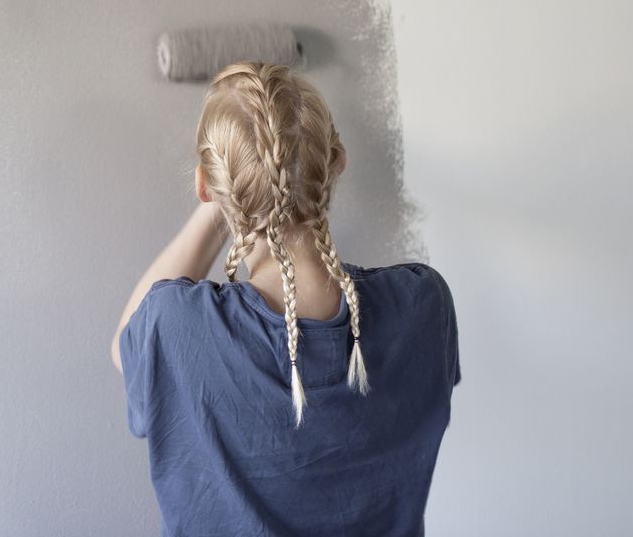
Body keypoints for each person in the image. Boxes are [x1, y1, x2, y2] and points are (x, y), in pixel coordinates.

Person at [110, 61, 460, 537]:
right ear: (337, 164)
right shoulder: (424, 306)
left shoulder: (175, 329)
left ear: (205, 187)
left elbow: (124, 347)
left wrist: (223, 197)